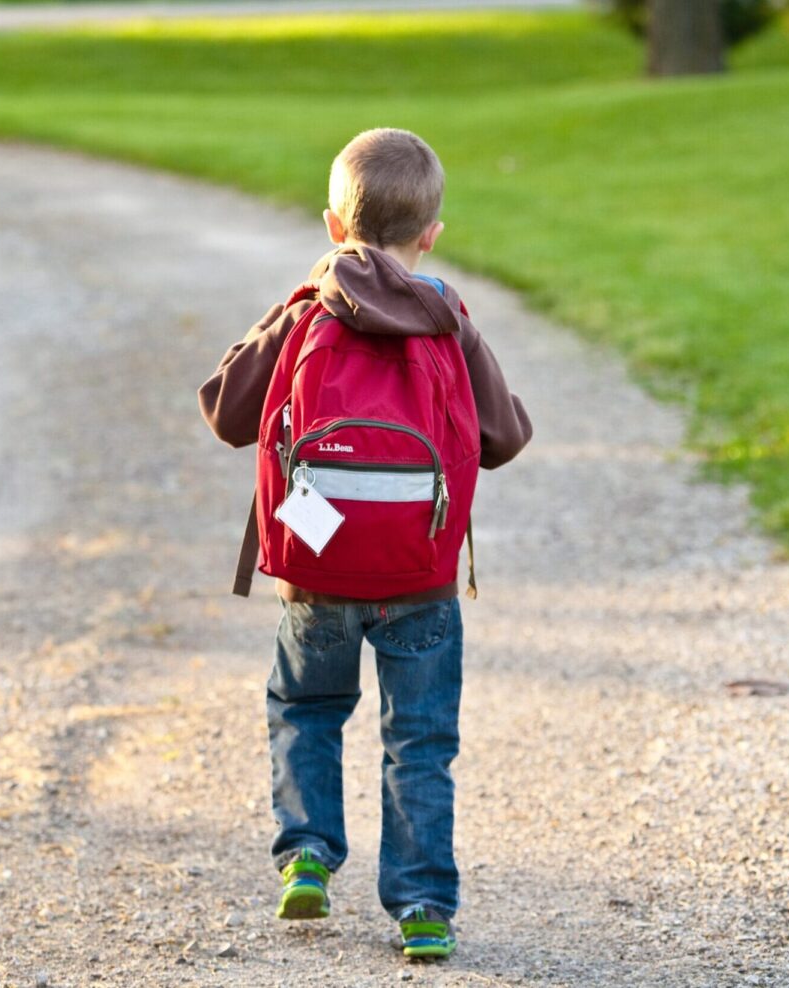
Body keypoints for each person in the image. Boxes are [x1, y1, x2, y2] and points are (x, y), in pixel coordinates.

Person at [198, 128, 531, 959]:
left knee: (307, 709)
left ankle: (307, 853)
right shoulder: (446, 314)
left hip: (318, 572)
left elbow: (226, 410)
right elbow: (504, 437)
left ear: (332, 227)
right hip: (421, 576)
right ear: (432, 235)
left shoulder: (311, 309)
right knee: (418, 741)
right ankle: (422, 907)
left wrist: (295, 301)